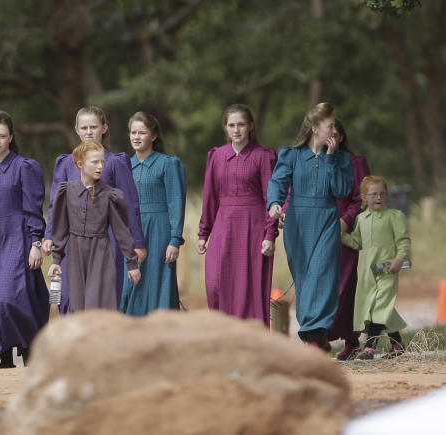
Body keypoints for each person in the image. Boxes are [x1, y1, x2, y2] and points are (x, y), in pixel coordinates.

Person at [268, 102, 353, 350]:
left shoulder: (341, 159)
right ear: (315, 128)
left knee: (322, 275)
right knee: (304, 279)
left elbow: (341, 190)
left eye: (335, 124)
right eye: (330, 125)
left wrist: (329, 159)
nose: (334, 129)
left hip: (326, 219)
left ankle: (315, 334)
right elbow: (277, 182)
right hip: (297, 223)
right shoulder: (291, 155)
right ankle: (312, 336)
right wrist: (274, 204)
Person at [0, 111, 50, 368]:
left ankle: (29, 352)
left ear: (11, 137)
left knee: (12, 296)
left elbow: (34, 208)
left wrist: (36, 242)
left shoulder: (25, 167)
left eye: (2, 136)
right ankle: (4, 359)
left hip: (18, 235)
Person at [44, 107, 145, 314]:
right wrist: (49, 236)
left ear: (104, 128)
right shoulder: (65, 163)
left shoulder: (116, 162)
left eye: (94, 127)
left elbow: (130, 206)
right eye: (84, 127)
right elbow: (56, 204)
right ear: (76, 130)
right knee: (66, 298)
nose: (89, 131)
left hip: (106, 240)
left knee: (101, 298)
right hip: (71, 241)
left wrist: (138, 244)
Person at [196, 104, 278, 325]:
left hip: (253, 227)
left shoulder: (263, 156)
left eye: (241, 124)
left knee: (248, 287)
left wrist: (270, 235)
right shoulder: (216, 156)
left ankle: (251, 341)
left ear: (251, 126)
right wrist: (204, 234)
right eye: (231, 125)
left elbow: (271, 197)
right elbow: (210, 197)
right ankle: (224, 334)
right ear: (225, 128)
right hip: (223, 225)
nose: (236, 130)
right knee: (215, 284)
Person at [121, 112, 187, 316]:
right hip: (131, 231)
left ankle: (161, 331)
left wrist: (175, 240)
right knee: (129, 283)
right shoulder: (123, 165)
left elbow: (176, 202)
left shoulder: (168, 163)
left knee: (158, 282)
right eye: (133, 132)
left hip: (159, 231)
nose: (136, 137)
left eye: (142, 132)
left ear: (154, 136)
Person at [341, 176, 409, 360]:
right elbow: (357, 242)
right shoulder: (361, 219)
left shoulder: (394, 216)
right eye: (374, 194)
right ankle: (398, 345)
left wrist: (399, 259)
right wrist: (340, 236)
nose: (378, 197)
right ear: (364, 197)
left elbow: (403, 242)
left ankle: (370, 348)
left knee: (379, 306)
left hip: (387, 269)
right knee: (379, 307)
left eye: (382, 194)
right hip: (367, 272)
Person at [329, 119, 372, 360]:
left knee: (345, 286)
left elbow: (361, 198)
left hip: (345, 230)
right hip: (318, 229)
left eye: (335, 133)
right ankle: (321, 336)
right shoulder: (312, 161)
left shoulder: (356, 163)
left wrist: (345, 221)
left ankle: (351, 339)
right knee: (320, 285)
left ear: (341, 137)